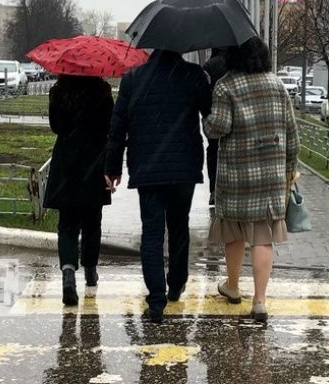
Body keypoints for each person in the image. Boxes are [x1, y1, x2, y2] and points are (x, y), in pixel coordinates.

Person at [104, 49, 212, 323]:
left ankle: (156, 300)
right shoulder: (193, 76)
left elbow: (118, 127)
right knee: (178, 227)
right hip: (183, 168)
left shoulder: (133, 79)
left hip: (147, 168)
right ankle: (176, 284)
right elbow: (210, 116)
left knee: (151, 233)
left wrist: (112, 168)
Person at [204, 37, 299, 324]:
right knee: (262, 238)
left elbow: (217, 128)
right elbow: (291, 131)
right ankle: (259, 301)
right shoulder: (276, 84)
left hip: (236, 174)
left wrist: (205, 120)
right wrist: (289, 168)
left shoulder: (226, 85)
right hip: (269, 175)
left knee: (232, 233)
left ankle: (232, 287)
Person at [43, 75, 114, 307]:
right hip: (95, 161)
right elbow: (109, 126)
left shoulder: (59, 91)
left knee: (67, 223)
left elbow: (55, 127)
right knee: (93, 221)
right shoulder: (102, 91)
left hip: (67, 162)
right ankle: (91, 271)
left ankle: (68, 275)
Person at [202, 48, 229, 206]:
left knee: (213, 152)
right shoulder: (235, 64)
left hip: (213, 116)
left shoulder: (209, 66)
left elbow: (204, 92)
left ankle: (214, 189)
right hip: (233, 117)